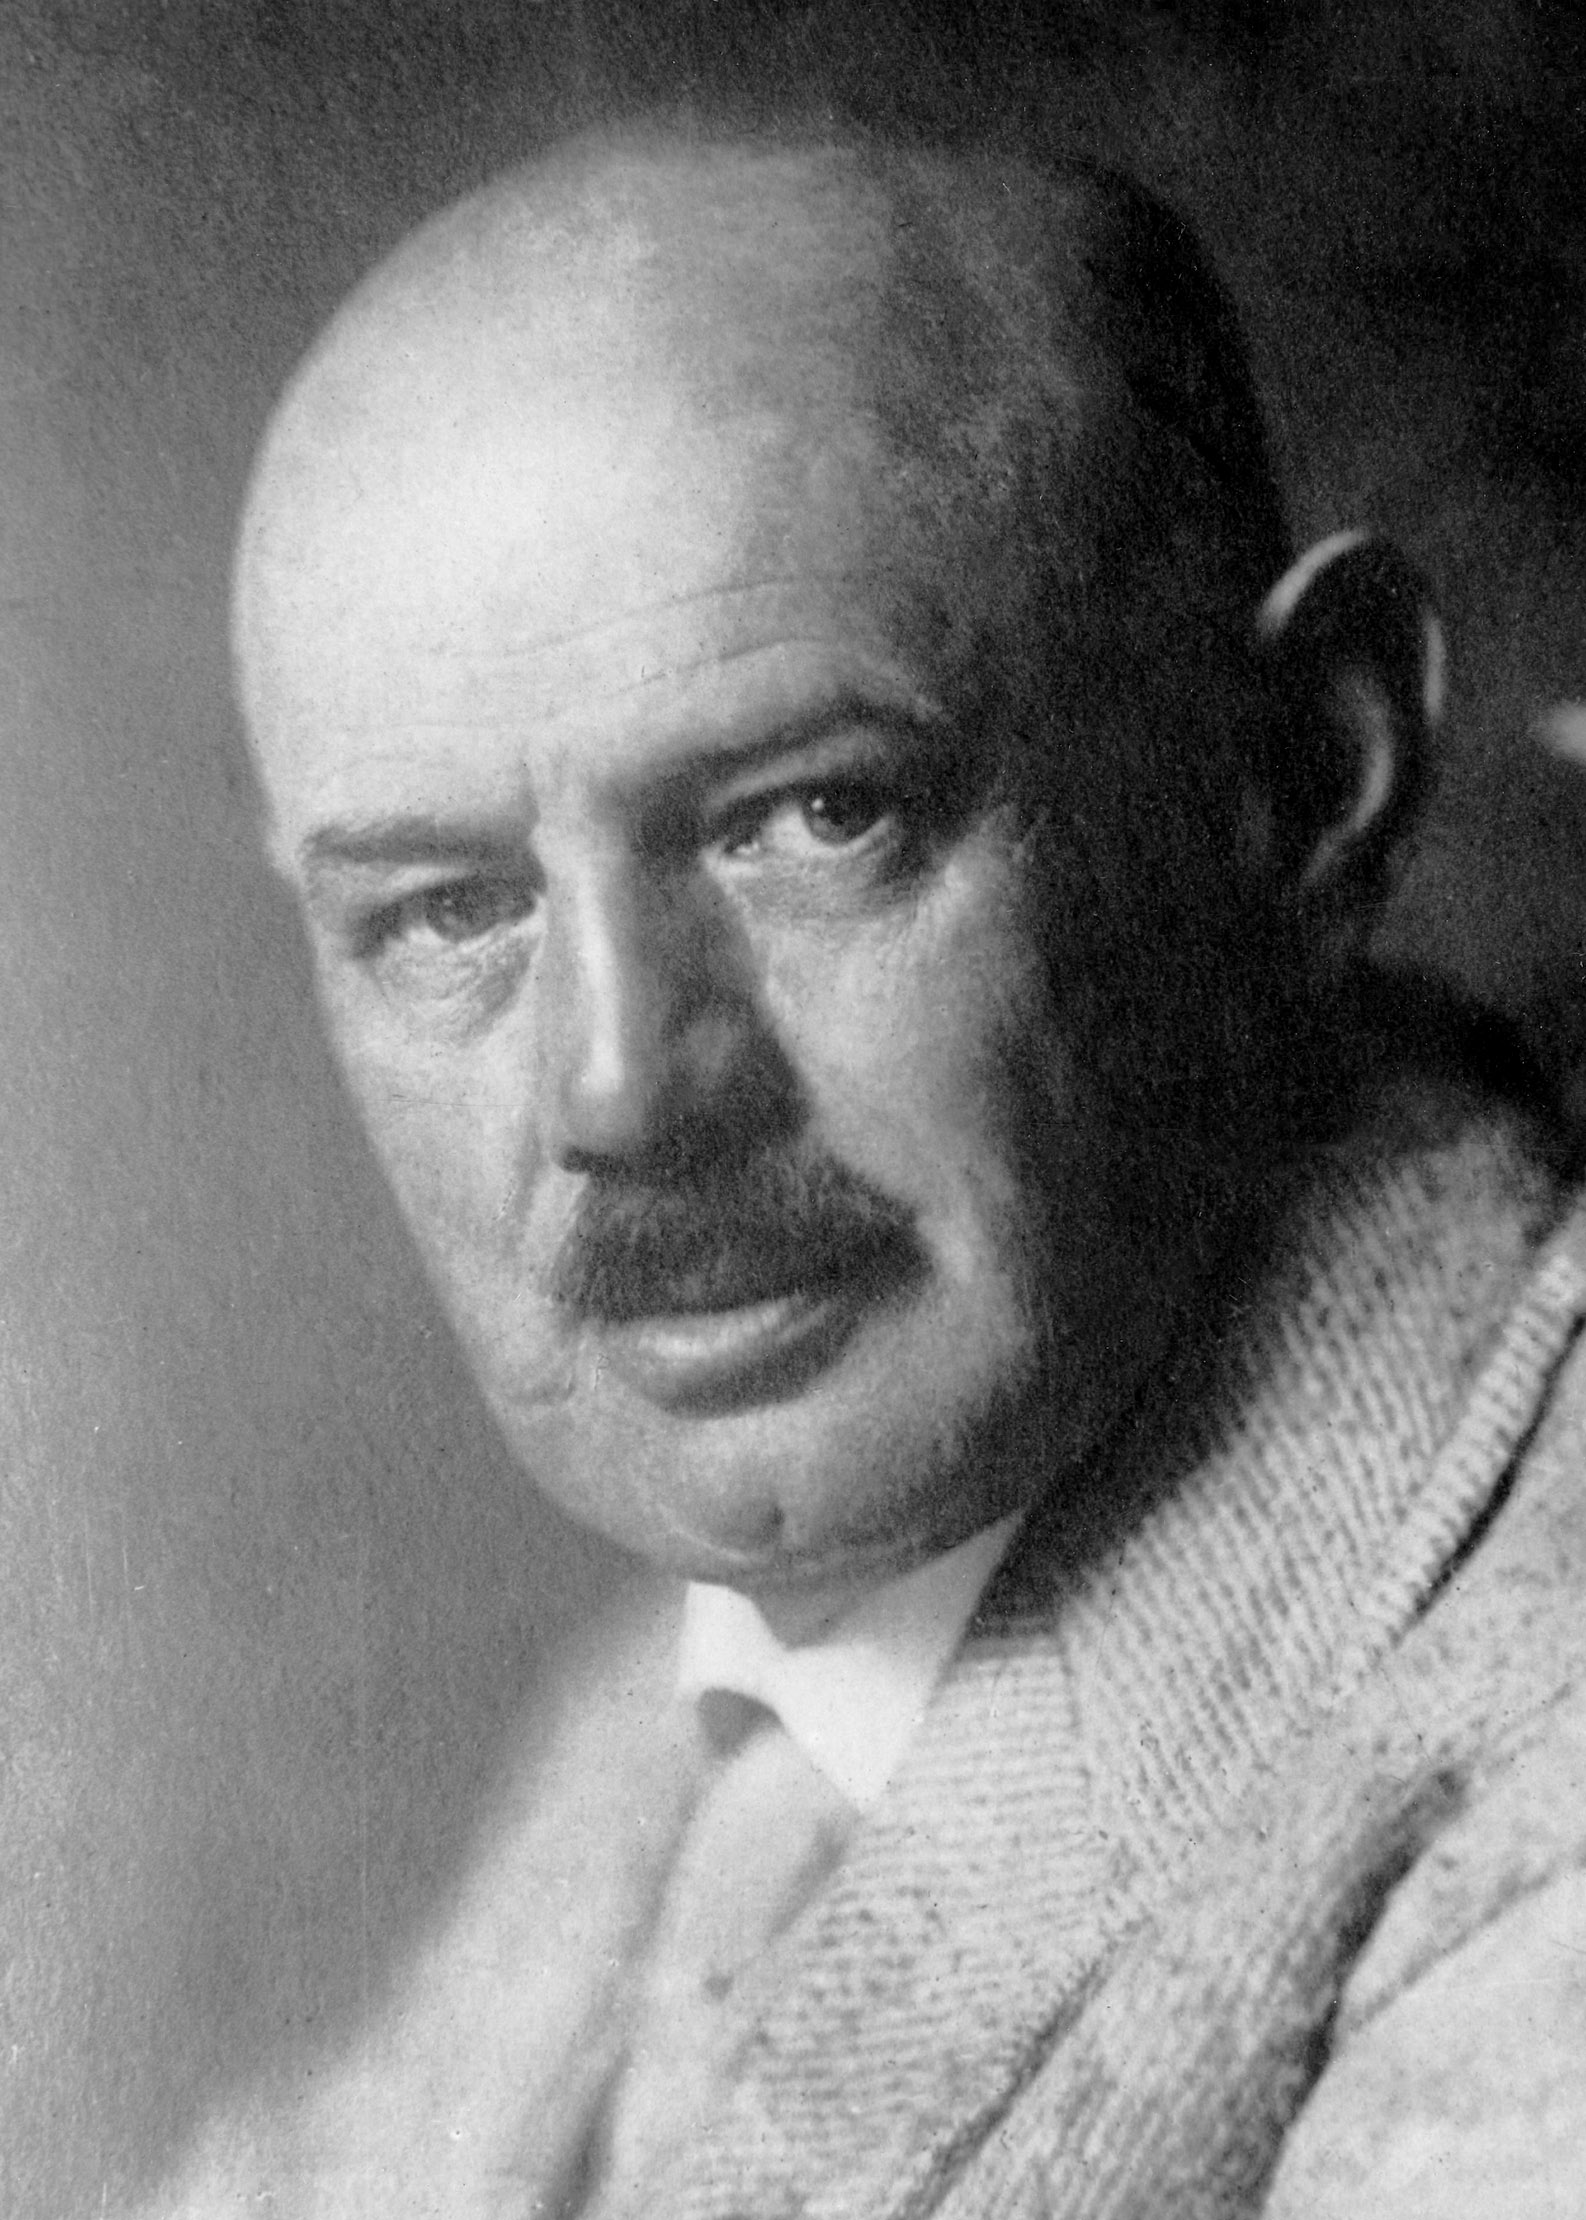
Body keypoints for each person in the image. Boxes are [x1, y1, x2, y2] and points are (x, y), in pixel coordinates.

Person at [155, 125, 1586, 2216]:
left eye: (815, 816)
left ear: (1302, 778)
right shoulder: (688, 1711)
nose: (622, 1091)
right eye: (448, 912)